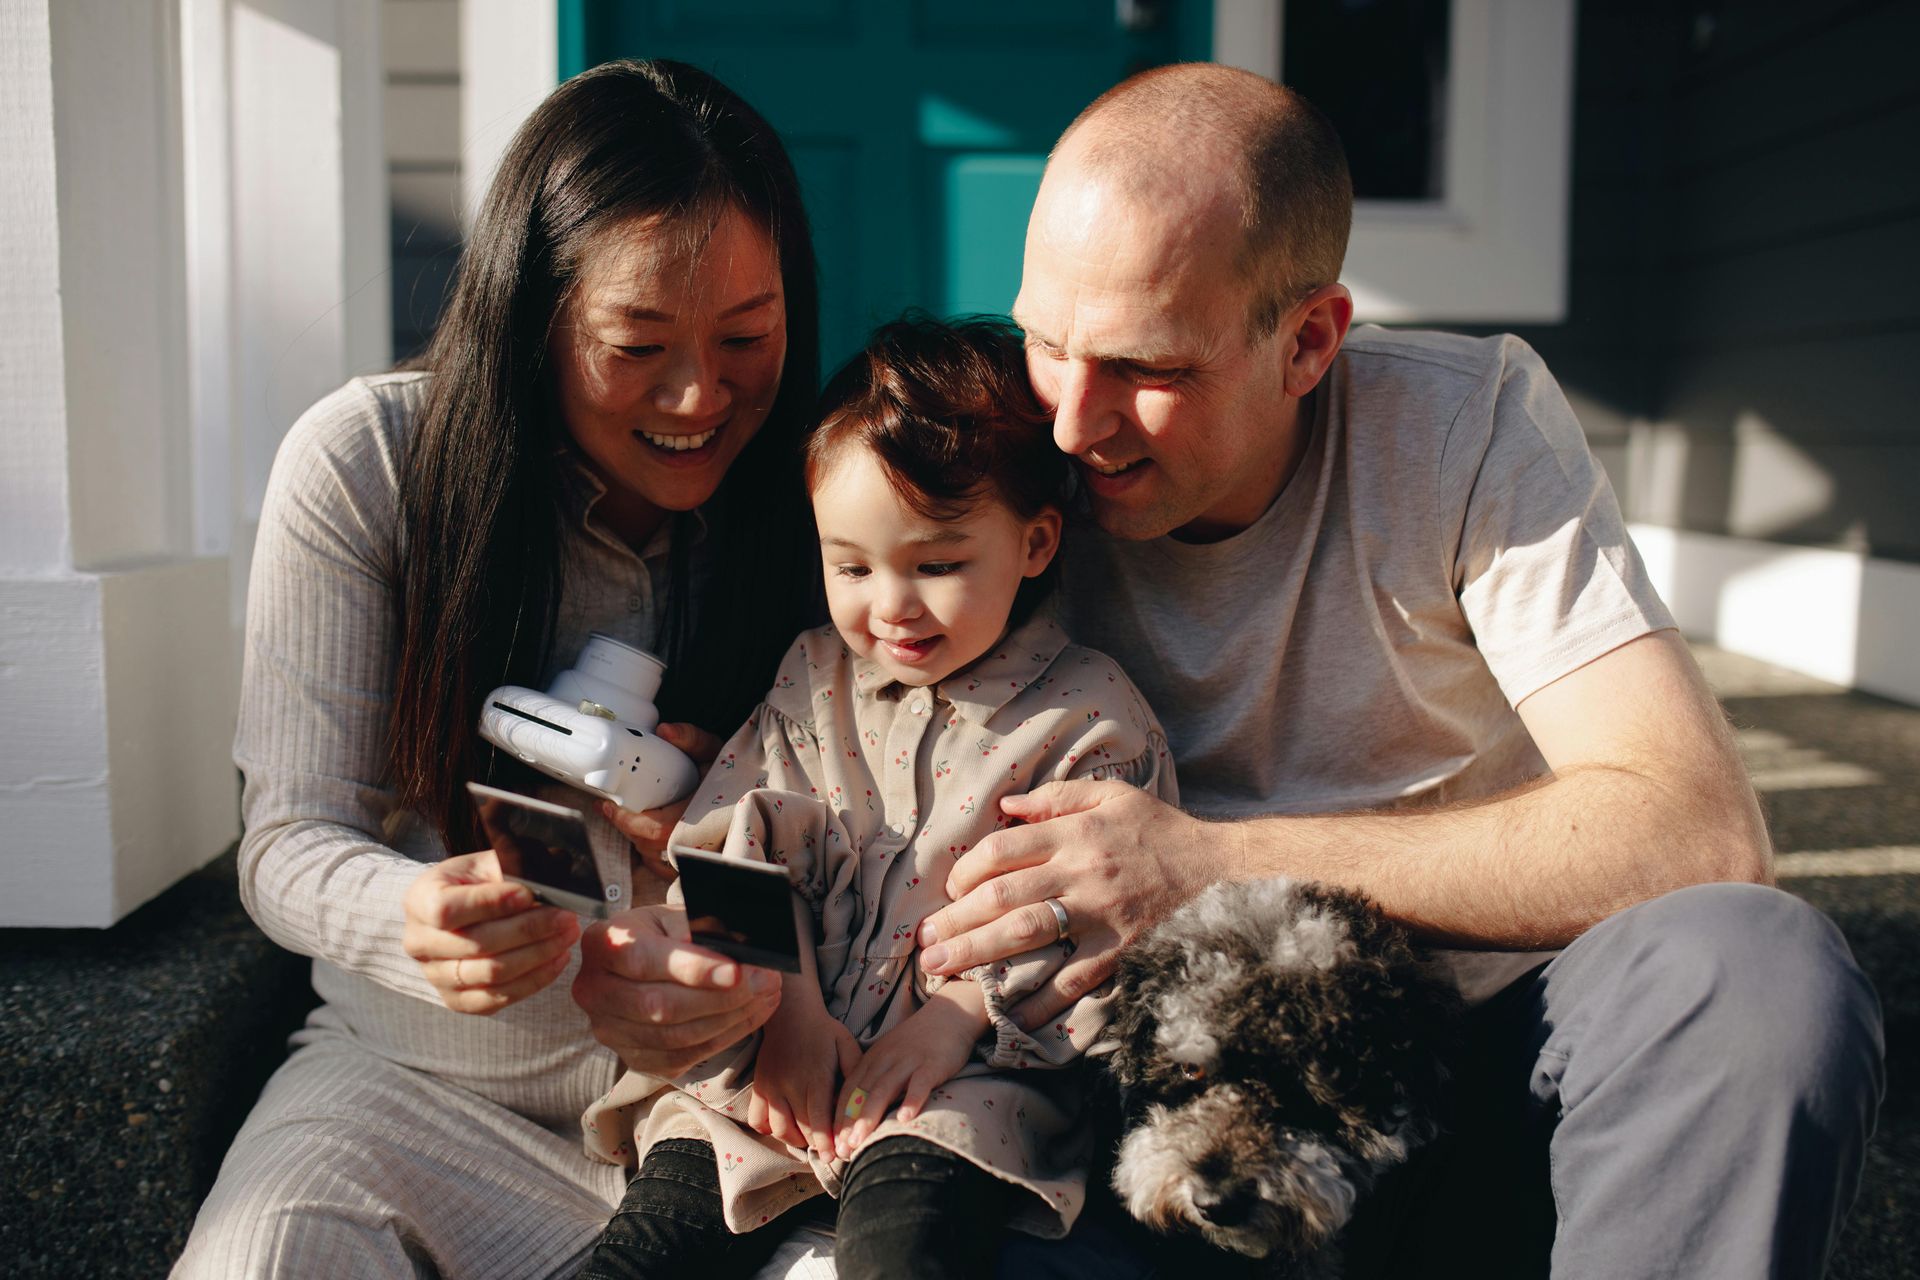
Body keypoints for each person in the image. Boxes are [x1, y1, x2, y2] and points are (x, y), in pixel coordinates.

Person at [900, 63, 1886, 1276]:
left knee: (1758, 974)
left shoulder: (1466, 428)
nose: (1072, 422)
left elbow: (1695, 830)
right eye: (1047, 341)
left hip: (1485, 1066)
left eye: (1149, 371)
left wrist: (1210, 860)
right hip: (1146, 1108)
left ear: (1308, 339)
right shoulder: (994, 452)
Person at [174, 60, 821, 1278]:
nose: (699, 395)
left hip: (716, 1123)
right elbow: (288, 841)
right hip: (407, 1090)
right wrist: (408, 916)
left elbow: (879, 854)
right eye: (637, 344)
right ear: (534, 315)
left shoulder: (832, 497)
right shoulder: (369, 464)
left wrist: (743, 976)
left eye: (748, 336)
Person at [578, 315, 1177, 1280]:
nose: (889, 604)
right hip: (773, 1052)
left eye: (937, 565)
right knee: (651, 1243)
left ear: (1033, 543)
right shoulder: (812, 678)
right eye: (852, 566)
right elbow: (733, 841)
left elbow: (1094, 929)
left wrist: (955, 1020)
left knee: (907, 1241)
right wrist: (785, 1011)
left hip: (964, 1080)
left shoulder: (1089, 720)